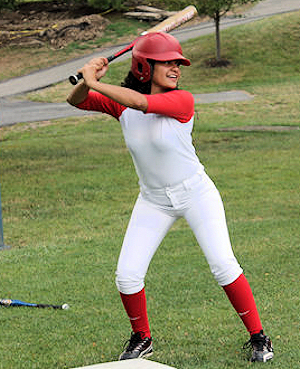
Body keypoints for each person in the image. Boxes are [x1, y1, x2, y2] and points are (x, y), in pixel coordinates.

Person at [67, 32, 274, 363]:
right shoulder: (121, 106)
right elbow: (75, 100)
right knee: (127, 275)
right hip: (153, 200)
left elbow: (141, 103)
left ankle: (259, 336)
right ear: (144, 68)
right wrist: (86, 78)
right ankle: (142, 337)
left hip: (195, 193)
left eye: (178, 62)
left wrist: (94, 81)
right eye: (166, 61)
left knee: (223, 265)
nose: (176, 67)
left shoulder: (182, 101)